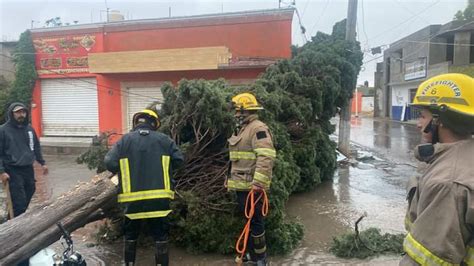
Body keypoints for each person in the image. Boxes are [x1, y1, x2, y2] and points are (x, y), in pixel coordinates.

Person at [401, 73, 474, 265]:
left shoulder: (448, 182)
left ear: (439, 119)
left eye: (423, 117)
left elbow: (427, 259)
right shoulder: (466, 154)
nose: (418, 124)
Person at [105, 109, 183, 266]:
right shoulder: (164, 140)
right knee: (160, 237)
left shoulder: (124, 141)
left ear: (136, 123)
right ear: (154, 123)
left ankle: (129, 264)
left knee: (131, 236)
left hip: (132, 202)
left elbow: (110, 163)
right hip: (159, 201)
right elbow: (179, 160)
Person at [227, 92, 276, 266]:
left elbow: (266, 156)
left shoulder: (258, 128)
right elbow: (236, 158)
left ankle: (261, 259)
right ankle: (251, 254)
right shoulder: (243, 129)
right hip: (242, 186)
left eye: (237, 111)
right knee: (248, 220)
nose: (235, 115)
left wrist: (258, 184)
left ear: (245, 111)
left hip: (252, 187)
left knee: (256, 221)